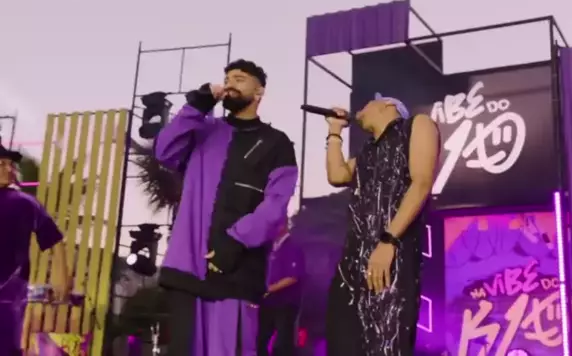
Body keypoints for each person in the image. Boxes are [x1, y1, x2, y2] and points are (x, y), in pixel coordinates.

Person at [154, 59, 298, 356]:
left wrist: (234, 242)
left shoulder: (277, 143)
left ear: (259, 91)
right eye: (228, 78)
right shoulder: (204, 129)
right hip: (187, 269)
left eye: (240, 79)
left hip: (237, 273)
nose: (231, 83)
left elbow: (276, 205)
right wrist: (197, 105)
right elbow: (164, 151)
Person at [324, 93, 440, 356]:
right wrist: (334, 131)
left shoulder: (416, 125)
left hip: (391, 258)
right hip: (352, 264)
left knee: (385, 340)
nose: (360, 109)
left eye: (368, 103)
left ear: (388, 105)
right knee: (342, 342)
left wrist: (389, 241)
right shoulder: (368, 152)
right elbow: (337, 174)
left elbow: (421, 183)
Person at [0, 141, 70, 356]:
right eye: (2, 164)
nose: (9, 169)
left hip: (8, 298)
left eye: (11, 165)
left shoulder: (24, 203)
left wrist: (62, 278)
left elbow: (55, 240)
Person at [257, 223, 304, 356]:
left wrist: (269, 288)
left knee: (283, 342)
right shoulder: (269, 247)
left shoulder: (293, 247)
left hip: (285, 303)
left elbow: (293, 277)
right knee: (261, 340)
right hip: (267, 302)